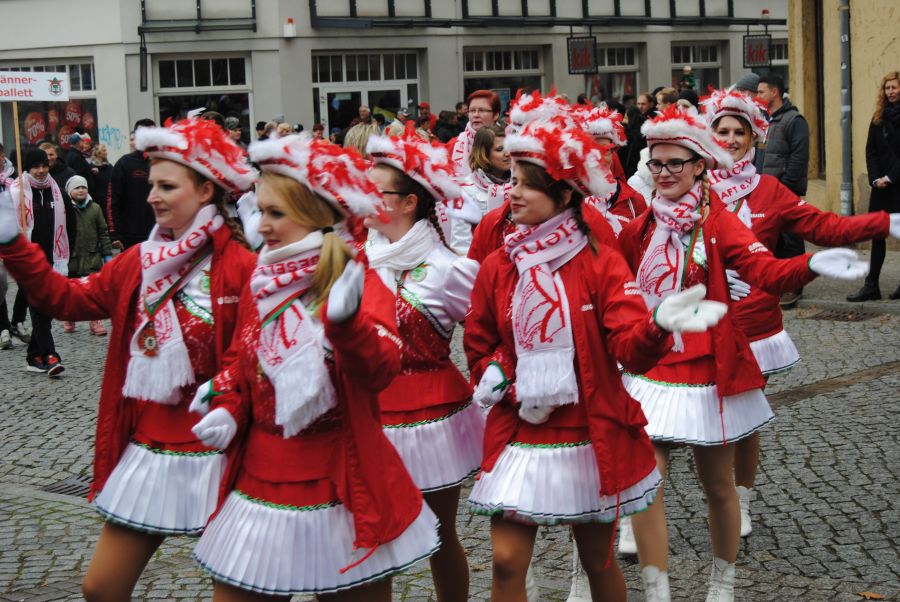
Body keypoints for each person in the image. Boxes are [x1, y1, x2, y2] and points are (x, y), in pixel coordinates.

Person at [464, 115, 727, 602]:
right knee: (505, 562)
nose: (512, 193)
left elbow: (629, 349)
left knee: (598, 563)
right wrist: (498, 374)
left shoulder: (600, 261)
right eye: (512, 181)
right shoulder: (499, 265)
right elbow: (478, 343)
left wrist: (657, 325)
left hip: (589, 431)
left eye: (526, 185)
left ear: (564, 194)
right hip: (519, 426)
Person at [617, 106, 869, 602]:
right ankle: (657, 591)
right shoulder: (638, 229)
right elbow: (617, 294)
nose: (664, 172)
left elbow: (767, 273)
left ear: (699, 166)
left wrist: (812, 263)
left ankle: (722, 586)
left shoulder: (720, 224)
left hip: (709, 372)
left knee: (718, 486)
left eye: (675, 163)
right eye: (656, 163)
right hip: (651, 371)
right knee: (646, 485)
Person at [0, 118, 257, 600]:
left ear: (207, 190)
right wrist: (14, 246)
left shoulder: (241, 268)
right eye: (152, 184)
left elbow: (252, 359)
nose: (152, 196)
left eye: (167, 186)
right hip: (151, 446)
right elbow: (65, 299)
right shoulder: (138, 262)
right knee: (101, 588)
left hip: (228, 451)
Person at [189, 133, 439, 600]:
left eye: (275, 213)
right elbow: (241, 361)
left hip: (339, 484)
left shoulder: (356, 279)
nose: (261, 225)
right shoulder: (264, 279)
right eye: (260, 210)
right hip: (260, 478)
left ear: (315, 215)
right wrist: (226, 403)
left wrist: (348, 328)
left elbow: (381, 370)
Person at [702, 87, 899, 543]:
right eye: (722, 131)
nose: (730, 140)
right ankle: (660, 508)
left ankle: (740, 501)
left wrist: (883, 222)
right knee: (694, 418)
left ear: (755, 139)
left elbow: (824, 226)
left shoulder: (769, 190)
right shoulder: (690, 188)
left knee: (742, 418)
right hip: (698, 322)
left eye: (739, 133)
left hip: (753, 324)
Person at [364, 128, 482, 601]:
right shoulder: (355, 259)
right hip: (368, 414)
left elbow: (486, 331)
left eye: (377, 192)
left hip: (432, 415)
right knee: (376, 539)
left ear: (409, 202)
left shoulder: (447, 268)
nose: (365, 199)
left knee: (438, 533)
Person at [8, 149, 75, 376]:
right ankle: (50, 356)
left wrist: (67, 254)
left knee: (46, 309)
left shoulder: (58, 193)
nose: (40, 170)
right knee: (38, 308)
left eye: (44, 165)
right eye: (35, 166)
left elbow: (71, 226)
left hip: (54, 261)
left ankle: (33, 356)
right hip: (28, 263)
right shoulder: (16, 194)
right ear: (27, 168)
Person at [756, 74, 810, 308]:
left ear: (774, 92)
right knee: (774, 238)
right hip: (767, 189)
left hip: (785, 189)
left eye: (761, 92)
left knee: (791, 238)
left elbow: (799, 157)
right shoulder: (766, 121)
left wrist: (785, 185)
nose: (758, 96)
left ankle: (795, 285)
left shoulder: (794, 120)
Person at [848, 71, 900, 301]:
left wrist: (890, 177)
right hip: (880, 188)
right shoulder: (879, 117)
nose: (890, 92)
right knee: (877, 234)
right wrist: (875, 178)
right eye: (887, 88)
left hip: (898, 184)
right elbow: (871, 150)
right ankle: (871, 286)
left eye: (894, 87)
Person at [579, 105, 648, 236]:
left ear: (612, 153)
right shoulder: (564, 199)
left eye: (606, 150)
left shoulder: (634, 201)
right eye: (592, 150)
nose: (599, 157)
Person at [62, 175, 112, 336]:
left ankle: (95, 321)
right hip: (73, 258)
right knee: (71, 292)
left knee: (93, 293)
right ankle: (69, 316)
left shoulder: (95, 208)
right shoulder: (65, 209)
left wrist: (107, 254)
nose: (81, 190)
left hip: (92, 257)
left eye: (83, 187)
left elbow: (103, 232)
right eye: (77, 188)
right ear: (70, 191)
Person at [109, 119, 157, 249]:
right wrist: (115, 234)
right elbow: (113, 201)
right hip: (131, 237)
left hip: (160, 234)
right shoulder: (124, 163)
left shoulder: (163, 161)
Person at [461, 124, 511, 215]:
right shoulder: (466, 190)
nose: (508, 153)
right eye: (500, 149)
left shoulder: (522, 181)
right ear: (484, 154)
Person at [452, 90, 501, 175]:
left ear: (496, 115)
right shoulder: (454, 144)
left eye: (482, 110)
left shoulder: (509, 144)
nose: (476, 115)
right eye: (472, 111)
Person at [66, 133, 97, 198]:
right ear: (78, 143)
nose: (83, 143)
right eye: (82, 141)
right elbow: (79, 174)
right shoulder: (76, 157)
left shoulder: (73, 154)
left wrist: (90, 170)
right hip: (83, 192)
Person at [90, 143, 114, 220]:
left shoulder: (109, 166)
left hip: (109, 199)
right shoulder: (91, 167)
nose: (106, 152)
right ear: (98, 153)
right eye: (104, 150)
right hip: (97, 200)